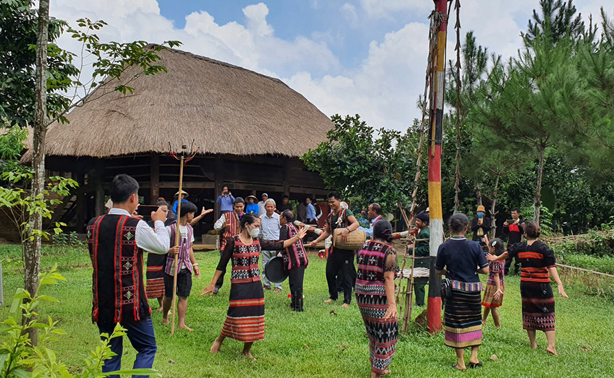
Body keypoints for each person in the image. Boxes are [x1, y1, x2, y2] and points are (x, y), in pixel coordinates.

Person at [87, 174, 173, 376]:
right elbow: (162, 247)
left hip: (103, 301)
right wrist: (159, 222)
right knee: (147, 347)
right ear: (133, 198)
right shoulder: (137, 226)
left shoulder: (93, 224)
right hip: (130, 302)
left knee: (110, 354)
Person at [201, 214, 307, 359]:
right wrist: (212, 284)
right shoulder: (233, 241)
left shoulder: (258, 241)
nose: (258, 229)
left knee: (256, 316)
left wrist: (297, 238)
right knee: (235, 314)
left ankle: (246, 350)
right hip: (239, 284)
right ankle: (220, 339)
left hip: (255, 284)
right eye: (256, 226)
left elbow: (279, 244)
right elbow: (222, 265)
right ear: (246, 225)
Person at [487, 221, 568, 355]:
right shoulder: (543, 248)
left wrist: (495, 259)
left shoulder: (520, 246)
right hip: (542, 285)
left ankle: (533, 344)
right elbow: (551, 266)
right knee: (547, 311)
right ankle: (551, 345)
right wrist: (559, 283)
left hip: (526, 284)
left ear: (524, 234)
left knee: (528, 311)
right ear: (538, 233)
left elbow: (507, 254)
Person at [435, 213, 489, 371]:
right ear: (466, 228)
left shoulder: (444, 246)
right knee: (474, 321)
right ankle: (474, 356)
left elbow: (438, 270)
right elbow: (485, 270)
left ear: (450, 228)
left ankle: (461, 362)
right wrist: (474, 269)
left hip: (455, 291)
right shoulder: (475, 246)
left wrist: (448, 272)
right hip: (473, 290)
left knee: (457, 323)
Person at [356, 220, 398, 378]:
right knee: (386, 334)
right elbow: (388, 278)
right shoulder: (390, 251)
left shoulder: (364, 246)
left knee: (373, 332)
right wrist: (392, 304)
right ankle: (377, 372)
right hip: (379, 298)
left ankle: (378, 366)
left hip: (361, 294)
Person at [309, 192, 360, 307]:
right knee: (329, 272)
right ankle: (333, 296)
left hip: (346, 250)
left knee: (346, 275)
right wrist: (316, 241)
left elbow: (356, 223)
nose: (331, 204)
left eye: (333, 202)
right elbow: (327, 232)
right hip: (335, 248)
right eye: (329, 202)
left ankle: (347, 301)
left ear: (339, 201)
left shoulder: (346, 212)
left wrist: (347, 229)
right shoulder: (330, 216)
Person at [161, 201, 200, 332]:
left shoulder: (190, 229)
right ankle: (165, 316)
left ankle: (181, 323)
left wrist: (194, 264)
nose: (193, 216)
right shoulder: (170, 229)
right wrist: (170, 250)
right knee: (169, 295)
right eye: (193, 214)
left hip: (186, 266)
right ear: (188, 214)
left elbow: (189, 248)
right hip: (171, 266)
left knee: (184, 295)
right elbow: (161, 246)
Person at [213, 197, 245, 294]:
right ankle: (216, 287)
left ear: (244, 206)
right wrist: (222, 226)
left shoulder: (247, 217)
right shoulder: (226, 215)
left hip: (240, 245)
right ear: (233, 207)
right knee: (222, 267)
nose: (239, 208)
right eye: (237, 207)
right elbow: (216, 226)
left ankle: (238, 286)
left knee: (239, 267)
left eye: (241, 206)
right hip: (226, 245)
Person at [145, 200, 172, 312]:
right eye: (161, 211)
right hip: (154, 257)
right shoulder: (148, 225)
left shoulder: (172, 223)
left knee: (167, 281)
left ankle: (167, 306)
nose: (164, 213)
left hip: (168, 256)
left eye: (165, 211)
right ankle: (161, 304)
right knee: (155, 280)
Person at [280, 210, 309, 311]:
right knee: (297, 283)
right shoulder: (294, 227)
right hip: (301, 259)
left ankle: (298, 307)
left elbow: (281, 244)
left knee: (295, 284)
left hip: (294, 260)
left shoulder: (285, 227)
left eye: (280, 217)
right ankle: (294, 304)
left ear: (284, 219)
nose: (279, 219)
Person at [259, 199, 282, 291]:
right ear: (265, 207)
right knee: (265, 265)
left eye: (271, 206)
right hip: (265, 245)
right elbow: (259, 232)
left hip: (276, 245)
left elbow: (282, 231)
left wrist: (281, 245)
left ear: (274, 208)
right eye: (268, 206)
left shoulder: (278, 218)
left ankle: (278, 286)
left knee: (277, 265)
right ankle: (266, 284)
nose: (269, 208)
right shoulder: (261, 218)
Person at [482, 237, 505, 328]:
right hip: (500, 284)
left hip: (494, 286)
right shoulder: (501, 258)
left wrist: (498, 289)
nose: (488, 249)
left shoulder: (494, 261)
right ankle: (483, 320)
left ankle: (498, 326)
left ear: (494, 249)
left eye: (489, 248)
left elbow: (496, 275)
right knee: (488, 304)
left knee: (492, 307)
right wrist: (487, 239)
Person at [409, 211, 430, 307]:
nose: (416, 222)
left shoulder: (425, 233)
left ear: (424, 223)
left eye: (418, 221)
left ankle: (420, 303)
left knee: (419, 283)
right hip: (422, 260)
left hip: (423, 261)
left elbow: (426, 249)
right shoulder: (422, 231)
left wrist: (412, 249)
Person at [503, 209, 524, 275]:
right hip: (510, 243)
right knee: (508, 259)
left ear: (518, 214)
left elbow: (523, 231)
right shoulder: (510, 222)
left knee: (518, 259)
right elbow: (505, 232)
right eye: (512, 213)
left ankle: (516, 272)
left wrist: (518, 225)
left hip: (519, 243)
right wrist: (505, 226)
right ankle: (505, 272)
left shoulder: (522, 222)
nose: (513, 215)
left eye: (514, 213)